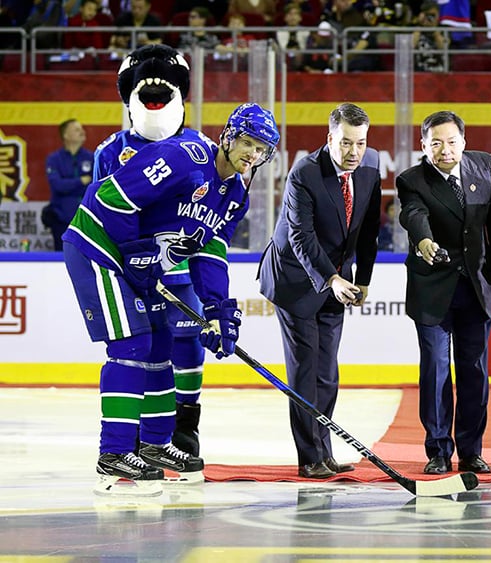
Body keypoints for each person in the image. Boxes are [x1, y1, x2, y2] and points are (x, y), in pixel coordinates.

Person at [63, 102, 279, 496]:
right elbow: (112, 196)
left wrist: (217, 309)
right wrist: (133, 250)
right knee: (132, 345)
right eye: (248, 142)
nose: (253, 154)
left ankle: (157, 444)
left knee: (162, 346)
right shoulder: (183, 158)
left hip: (138, 263)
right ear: (229, 136)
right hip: (98, 246)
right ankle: (113, 453)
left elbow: (209, 250)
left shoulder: (234, 195)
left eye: (262, 149)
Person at [93, 44, 213, 458]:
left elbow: (209, 216)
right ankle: (143, 433)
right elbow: (98, 209)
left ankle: (186, 419)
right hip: (131, 273)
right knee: (142, 349)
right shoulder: (109, 152)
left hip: (178, 269)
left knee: (187, 343)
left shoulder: (201, 147)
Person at [258, 103, 381, 479]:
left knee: (327, 372)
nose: (353, 152)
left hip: (339, 281)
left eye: (360, 143)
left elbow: (369, 231)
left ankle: (324, 451)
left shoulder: (371, 167)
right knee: (306, 369)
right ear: (330, 138)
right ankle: (310, 456)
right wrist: (331, 279)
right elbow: (301, 237)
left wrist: (363, 280)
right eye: (345, 143)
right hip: (296, 280)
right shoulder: (304, 173)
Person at [396, 110, 491, 475]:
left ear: (464, 141)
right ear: (423, 146)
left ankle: (472, 450)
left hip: (476, 287)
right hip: (433, 288)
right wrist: (424, 239)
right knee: (436, 370)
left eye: (451, 142)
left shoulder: (485, 167)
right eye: (435, 144)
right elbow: (413, 214)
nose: (445, 150)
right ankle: (438, 450)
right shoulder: (411, 180)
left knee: (474, 371)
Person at [44, 118, 93, 251]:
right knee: (62, 259)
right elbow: (58, 186)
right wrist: (80, 181)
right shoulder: (54, 159)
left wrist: (70, 185)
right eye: (77, 129)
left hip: (86, 221)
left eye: (82, 128)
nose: (82, 132)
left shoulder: (92, 157)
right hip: (62, 220)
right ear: (66, 135)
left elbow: (95, 185)